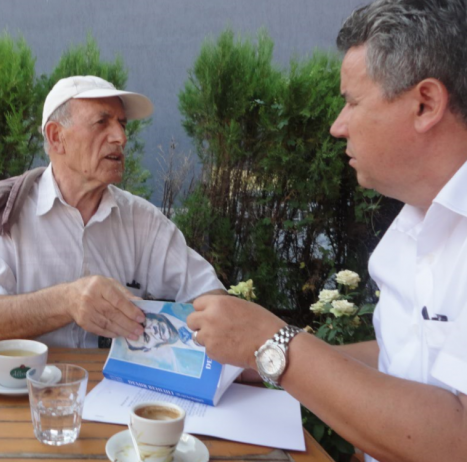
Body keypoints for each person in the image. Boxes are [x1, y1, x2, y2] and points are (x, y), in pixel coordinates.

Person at [187, 1, 467, 461]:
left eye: (353, 102)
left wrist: (274, 345)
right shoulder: (413, 224)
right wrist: (264, 361)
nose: (338, 126)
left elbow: (458, 439)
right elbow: (401, 358)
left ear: (426, 104)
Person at [0, 75, 225, 346]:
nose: (121, 138)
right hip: (26, 381)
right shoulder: (11, 212)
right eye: (102, 122)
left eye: (122, 124)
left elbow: (212, 296)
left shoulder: (141, 220)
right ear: (56, 137)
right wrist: (68, 301)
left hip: (114, 383)